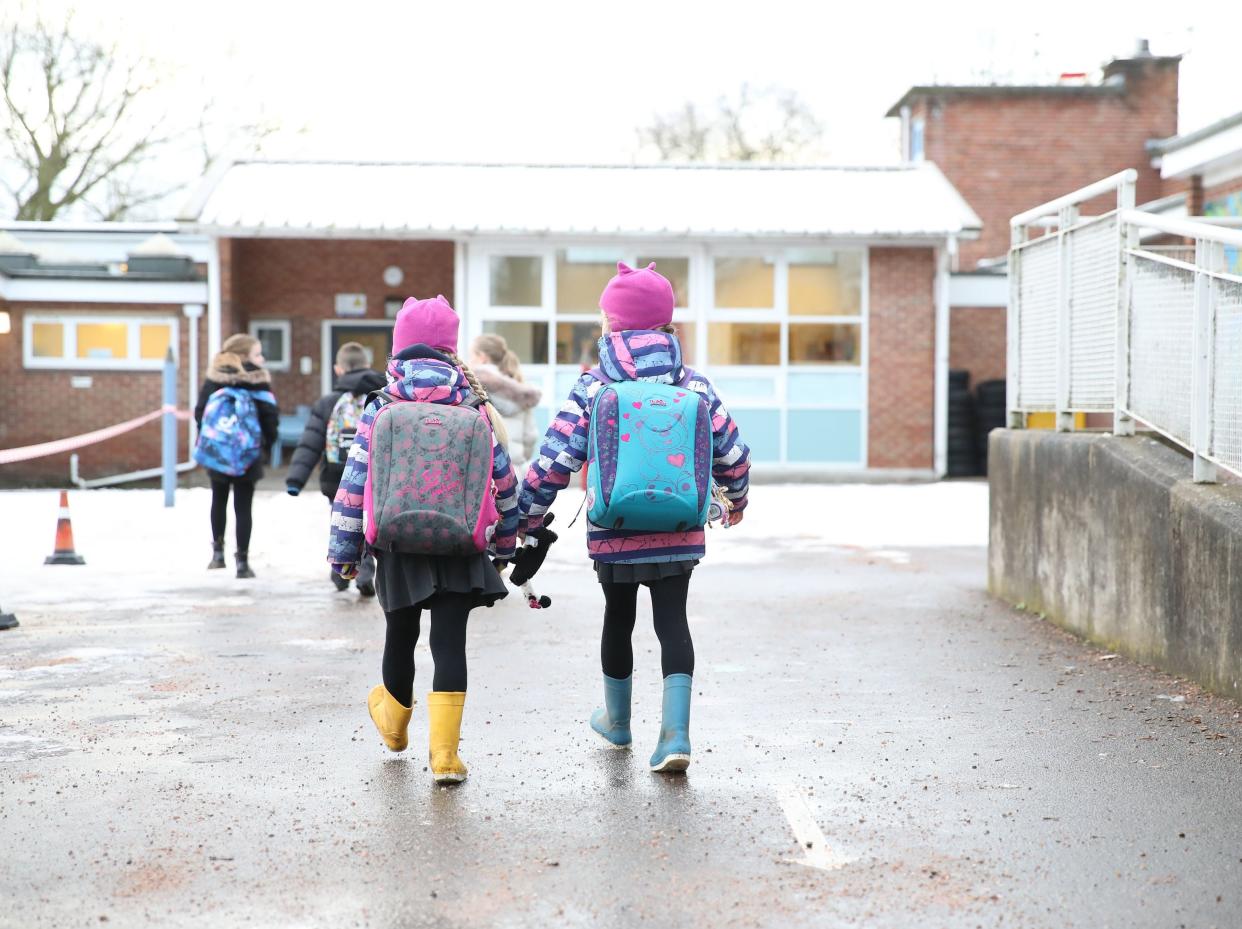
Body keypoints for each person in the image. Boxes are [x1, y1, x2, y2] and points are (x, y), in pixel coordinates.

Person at [517, 262, 750, 774]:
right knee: (673, 623)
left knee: (617, 619)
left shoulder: (593, 386)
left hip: (614, 530)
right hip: (679, 530)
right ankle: (676, 737)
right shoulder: (694, 385)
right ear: (667, 325)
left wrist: (525, 518)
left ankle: (618, 722)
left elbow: (555, 459)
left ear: (612, 325)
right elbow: (732, 452)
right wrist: (737, 498)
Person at [328, 295, 519, 784]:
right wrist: (507, 545)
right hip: (460, 543)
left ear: (399, 349)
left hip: (398, 544)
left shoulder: (382, 405)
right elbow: (504, 482)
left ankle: (394, 727)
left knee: (401, 635)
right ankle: (446, 757)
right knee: (449, 645)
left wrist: (344, 554)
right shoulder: (474, 407)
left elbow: (354, 486)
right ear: (450, 352)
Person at [286, 342, 386, 596]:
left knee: (341, 520)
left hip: (336, 476)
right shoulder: (382, 399)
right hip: (373, 476)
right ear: (367, 364)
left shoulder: (329, 402)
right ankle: (365, 571)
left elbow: (311, 442)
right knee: (367, 522)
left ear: (338, 369)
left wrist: (295, 480)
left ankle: (340, 571)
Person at [194, 333, 279, 580]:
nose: (261, 359)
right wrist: (264, 446)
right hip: (247, 454)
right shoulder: (258, 380)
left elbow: (201, 413)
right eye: (257, 354)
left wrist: (212, 442)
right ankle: (242, 561)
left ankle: (218, 554)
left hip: (218, 452)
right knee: (243, 507)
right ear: (244, 356)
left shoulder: (215, 377)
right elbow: (270, 417)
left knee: (218, 500)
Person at [469, 333, 542, 471]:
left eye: (472, 355)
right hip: (515, 469)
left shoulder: (472, 385)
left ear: (482, 357)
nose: (470, 360)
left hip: (485, 470)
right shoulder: (520, 391)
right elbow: (530, 437)